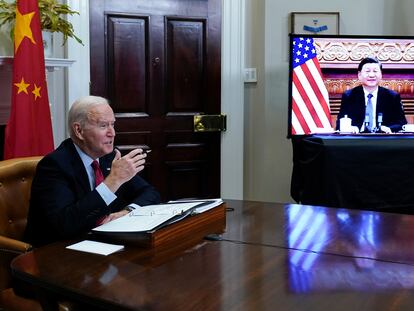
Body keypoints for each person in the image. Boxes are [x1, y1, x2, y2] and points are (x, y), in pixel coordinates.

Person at [24, 96, 160, 246]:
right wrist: (112, 183)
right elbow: (64, 225)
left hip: (103, 244)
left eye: (112, 125)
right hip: (59, 251)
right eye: (103, 126)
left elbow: (150, 193)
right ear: (79, 130)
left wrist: (127, 211)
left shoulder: (109, 156)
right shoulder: (54, 165)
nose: (112, 133)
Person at [336, 57, 407, 133]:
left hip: (383, 140)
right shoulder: (349, 96)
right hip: (357, 140)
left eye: (375, 71)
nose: (371, 75)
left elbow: (402, 123)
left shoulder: (392, 96)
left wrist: (389, 128)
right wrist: (351, 128)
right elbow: (340, 124)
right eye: (367, 71)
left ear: (381, 74)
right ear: (359, 75)